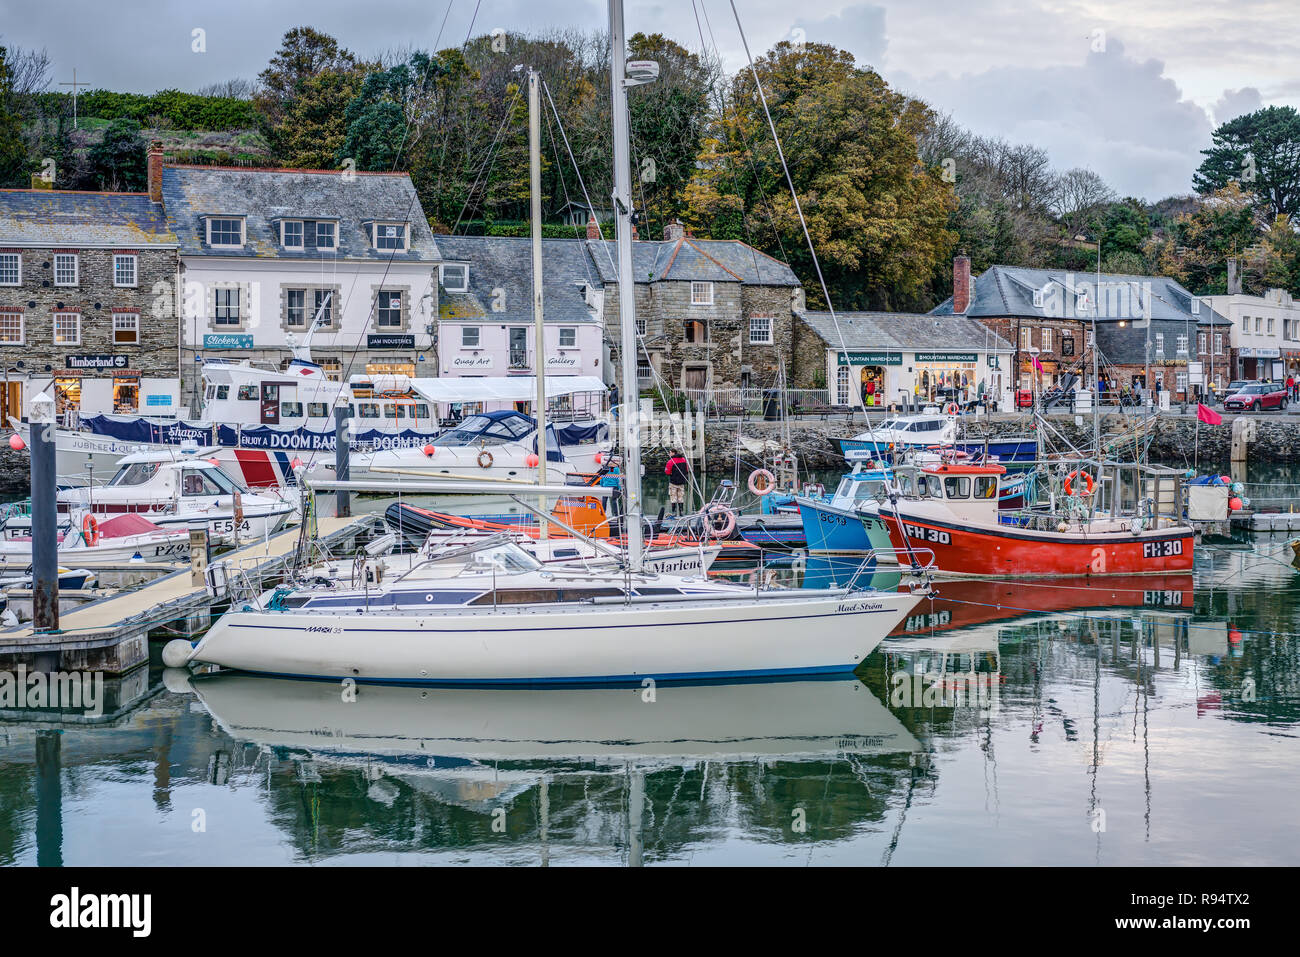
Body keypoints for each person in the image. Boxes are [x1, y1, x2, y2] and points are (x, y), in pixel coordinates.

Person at [664, 449, 691, 517]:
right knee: (680, 497)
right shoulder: (684, 460)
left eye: (670, 453)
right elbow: (687, 470)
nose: (669, 454)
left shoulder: (670, 461)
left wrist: (671, 473)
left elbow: (667, 472)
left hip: (673, 482)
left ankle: (674, 512)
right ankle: (681, 512)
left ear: (673, 453)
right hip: (682, 482)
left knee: (673, 497)